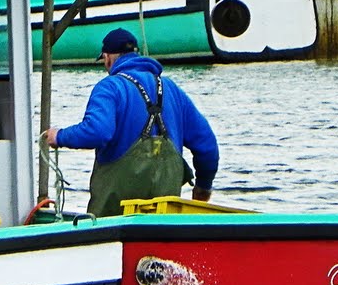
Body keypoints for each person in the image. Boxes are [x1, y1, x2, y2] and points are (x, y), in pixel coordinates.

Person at [42, 28, 219, 217]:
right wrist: (203, 188)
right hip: (163, 219)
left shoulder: (110, 87)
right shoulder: (172, 89)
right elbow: (207, 145)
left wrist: (59, 136)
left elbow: (97, 132)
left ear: (108, 57)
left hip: (115, 218)